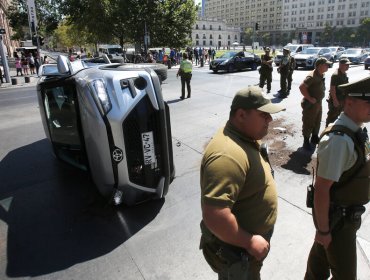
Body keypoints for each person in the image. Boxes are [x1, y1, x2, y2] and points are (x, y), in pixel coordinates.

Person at [199, 86, 285, 279]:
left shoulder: (242, 134)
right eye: (264, 115)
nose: (270, 120)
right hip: (238, 254)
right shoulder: (227, 155)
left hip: (245, 252)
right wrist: (249, 241)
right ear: (241, 115)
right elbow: (215, 215)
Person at [304, 76, 370, 280]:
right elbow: (322, 189)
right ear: (350, 102)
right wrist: (324, 231)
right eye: (369, 103)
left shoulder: (354, 130)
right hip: (338, 223)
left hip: (340, 219)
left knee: (317, 272)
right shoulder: (339, 141)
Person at [299, 57, 332, 150]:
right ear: (320, 66)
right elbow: (302, 87)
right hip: (311, 105)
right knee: (309, 122)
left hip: (318, 103)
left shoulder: (321, 74)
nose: (327, 67)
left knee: (317, 121)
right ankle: (306, 141)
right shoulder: (312, 76)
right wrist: (309, 98)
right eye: (326, 65)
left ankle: (314, 137)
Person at [325, 58, 351, 127]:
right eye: (346, 65)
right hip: (336, 100)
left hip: (342, 99)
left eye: (348, 65)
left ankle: (335, 132)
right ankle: (327, 132)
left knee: (339, 117)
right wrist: (335, 100)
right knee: (332, 118)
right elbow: (332, 89)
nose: (348, 66)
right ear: (341, 65)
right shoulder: (336, 75)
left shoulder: (344, 73)